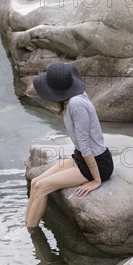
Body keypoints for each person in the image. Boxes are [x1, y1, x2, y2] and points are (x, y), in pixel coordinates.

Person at [25, 62, 113, 230]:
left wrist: (96, 180)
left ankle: (31, 232)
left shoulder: (76, 104)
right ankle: (25, 225)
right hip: (80, 157)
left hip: (97, 163)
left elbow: (85, 146)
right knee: (36, 182)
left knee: (42, 187)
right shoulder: (72, 99)